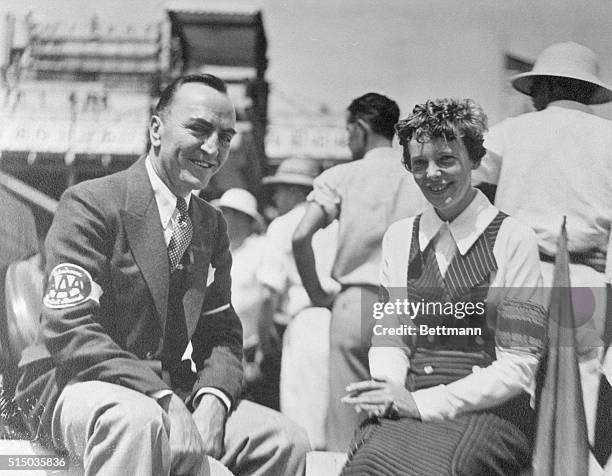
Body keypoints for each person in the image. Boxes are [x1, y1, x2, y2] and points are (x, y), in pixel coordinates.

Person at [15, 74, 309, 476]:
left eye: (224, 137)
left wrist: (214, 399)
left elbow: (221, 332)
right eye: (199, 129)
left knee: (283, 439)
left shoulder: (210, 224)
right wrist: (163, 398)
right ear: (156, 129)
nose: (212, 148)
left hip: (167, 388)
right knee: (136, 422)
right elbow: (71, 330)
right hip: (73, 381)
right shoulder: (91, 202)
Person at [341, 98, 547, 475]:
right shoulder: (400, 237)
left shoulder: (515, 239)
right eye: (419, 163)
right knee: (365, 464)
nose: (432, 174)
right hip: (408, 398)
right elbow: (391, 338)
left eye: (446, 160)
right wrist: (391, 391)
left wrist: (420, 404)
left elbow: (519, 366)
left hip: (491, 411)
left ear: (474, 158)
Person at [472, 41, 612, 471]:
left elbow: (469, 191)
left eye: (535, 87)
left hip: (522, 276)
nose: (532, 97)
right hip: (587, 276)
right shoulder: (609, 137)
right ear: (587, 91)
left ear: (548, 87)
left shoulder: (510, 132)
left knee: (515, 384)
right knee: (582, 388)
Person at [292, 92, 425, 450]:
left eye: (349, 131)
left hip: (354, 304)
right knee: (400, 423)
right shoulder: (421, 178)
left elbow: (301, 234)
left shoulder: (342, 176)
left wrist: (318, 294)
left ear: (362, 128)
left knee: (346, 428)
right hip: (408, 307)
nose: (347, 140)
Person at [257, 157, 339, 448]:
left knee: (304, 427)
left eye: (280, 190)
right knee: (337, 426)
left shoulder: (284, 225)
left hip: (305, 324)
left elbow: (268, 293)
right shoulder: (336, 226)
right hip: (340, 321)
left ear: (295, 192)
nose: (276, 197)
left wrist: (266, 343)